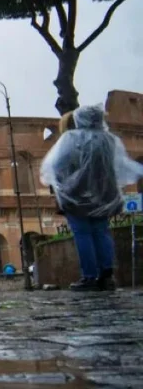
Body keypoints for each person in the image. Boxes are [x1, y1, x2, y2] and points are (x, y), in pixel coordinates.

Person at [41, 105, 143, 291]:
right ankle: (107, 275)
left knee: (83, 234)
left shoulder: (70, 139)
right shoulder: (109, 140)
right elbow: (118, 167)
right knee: (102, 231)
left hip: (75, 194)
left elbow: (56, 166)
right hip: (103, 193)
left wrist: (63, 188)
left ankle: (89, 276)